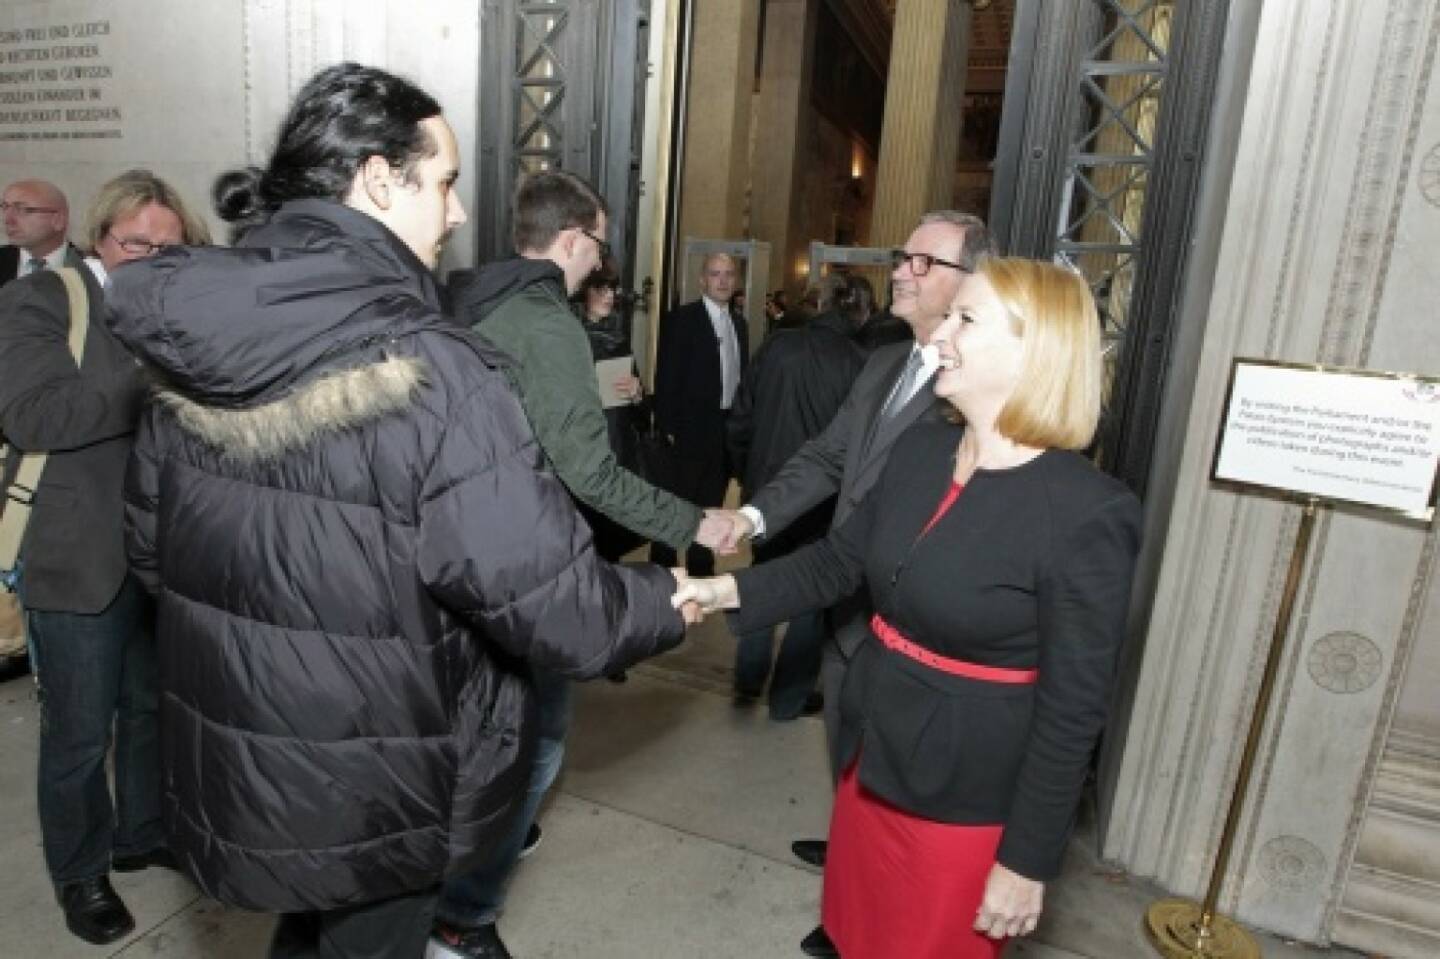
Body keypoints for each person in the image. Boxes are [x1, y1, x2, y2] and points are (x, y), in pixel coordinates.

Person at [104, 63, 692, 959]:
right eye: (444, 181)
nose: (457, 212)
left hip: (245, 747)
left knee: (308, 925)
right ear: (379, 179)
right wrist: (662, 597)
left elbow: (152, 547)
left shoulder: (194, 340)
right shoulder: (437, 371)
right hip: (381, 763)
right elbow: (556, 606)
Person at [677, 257, 1143, 958]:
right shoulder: (922, 449)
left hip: (965, 798)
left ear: (1034, 349)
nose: (940, 334)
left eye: (965, 319)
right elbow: (837, 562)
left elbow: (1073, 710)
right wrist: (719, 590)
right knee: (855, 933)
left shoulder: (1089, 512)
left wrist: (1026, 862)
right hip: (872, 759)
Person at [443, 170, 728, 959]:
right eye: (599, 243)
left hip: (461, 554)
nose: (602, 260)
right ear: (571, 239)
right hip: (524, 563)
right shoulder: (547, 323)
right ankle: (463, 915)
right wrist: (691, 519)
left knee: (476, 737)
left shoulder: (468, 299)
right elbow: (589, 473)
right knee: (537, 745)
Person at [709, 209, 993, 957]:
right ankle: (850, 876)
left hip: (912, 627)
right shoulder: (882, 363)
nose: (901, 271)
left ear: (974, 281)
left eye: (924, 262)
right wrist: (753, 516)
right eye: (904, 257)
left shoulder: (979, 389)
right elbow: (828, 458)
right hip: (846, 610)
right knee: (847, 751)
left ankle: (870, 921)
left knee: (902, 793)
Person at [0, 169, 211, 945]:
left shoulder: (174, 308)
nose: (151, 259)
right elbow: (35, 415)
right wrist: (153, 373)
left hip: (158, 553)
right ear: (99, 236)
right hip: (75, 553)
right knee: (79, 734)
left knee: (149, 708)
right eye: (135, 244)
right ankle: (80, 873)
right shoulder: (43, 300)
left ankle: (140, 832)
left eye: (168, 248)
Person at [725, 273, 864, 719]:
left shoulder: (777, 347)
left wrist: (745, 473)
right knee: (810, 595)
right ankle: (788, 698)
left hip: (767, 490)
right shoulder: (859, 363)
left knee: (763, 578)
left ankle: (748, 682)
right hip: (822, 500)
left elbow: (740, 419)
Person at [651, 251, 749, 576]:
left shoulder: (739, 323)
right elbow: (667, 376)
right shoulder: (683, 320)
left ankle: (701, 568)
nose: (723, 280)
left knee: (712, 502)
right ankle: (661, 570)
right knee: (677, 503)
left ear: (736, 281)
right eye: (715, 274)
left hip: (724, 428)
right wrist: (668, 427)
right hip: (688, 428)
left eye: (729, 274)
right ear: (702, 280)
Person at [1, 178, 84, 288]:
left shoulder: (89, 268)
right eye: (5, 207)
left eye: (23, 209)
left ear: (59, 220)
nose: (8, 220)